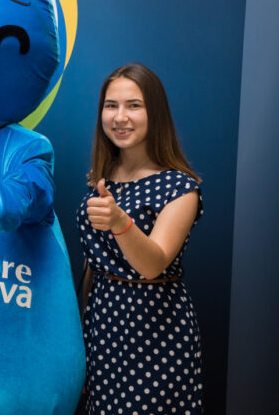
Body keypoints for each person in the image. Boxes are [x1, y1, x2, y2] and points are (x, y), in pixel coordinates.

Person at [76, 63, 204, 414]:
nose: (120, 117)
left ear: (155, 113)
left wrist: (120, 222)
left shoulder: (180, 187)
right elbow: (94, 264)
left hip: (155, 329)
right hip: (103, 323)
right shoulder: (102, 177)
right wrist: (80, 333)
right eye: (111, 105)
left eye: (134, 105)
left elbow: (153, 264)